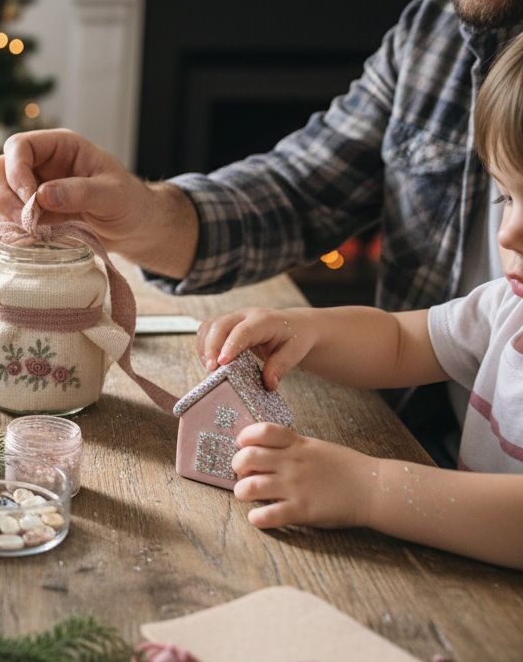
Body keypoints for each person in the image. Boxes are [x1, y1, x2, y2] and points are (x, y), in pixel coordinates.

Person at [0, 0, 523, 465]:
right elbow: (297, 190)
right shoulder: (433, 29)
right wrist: (140, 212)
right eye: (504, 197)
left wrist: (374, 488)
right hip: (422, 449)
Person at [186, 32, 523, 571]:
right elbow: (400, 342)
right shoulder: (509, 308)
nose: (508, 233)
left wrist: (368, 489)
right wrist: (305, 329)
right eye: (507, 196)